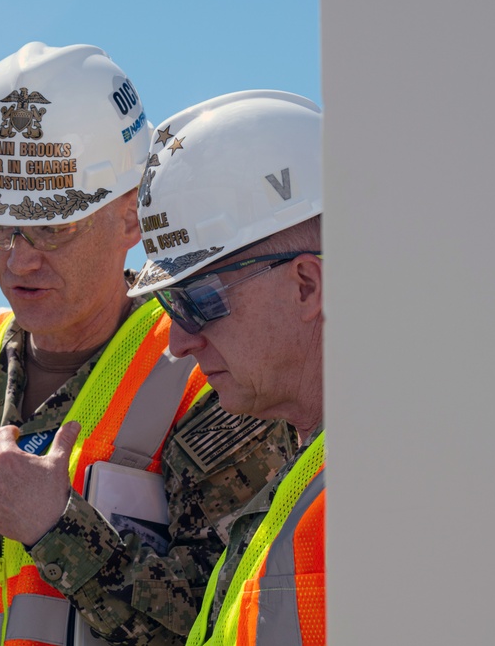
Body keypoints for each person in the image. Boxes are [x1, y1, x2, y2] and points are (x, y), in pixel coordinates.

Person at [0, 43, 297, 646]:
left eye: (53, 226)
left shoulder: (211, 377)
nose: (19, 256)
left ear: (131, 217)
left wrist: (56, 528)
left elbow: (229, 624)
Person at [126, 90, 325, 646]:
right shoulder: (303, 486)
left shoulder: (380, 492)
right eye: (168, 305)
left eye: (200, 300)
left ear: (306, 284)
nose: (180, 342)